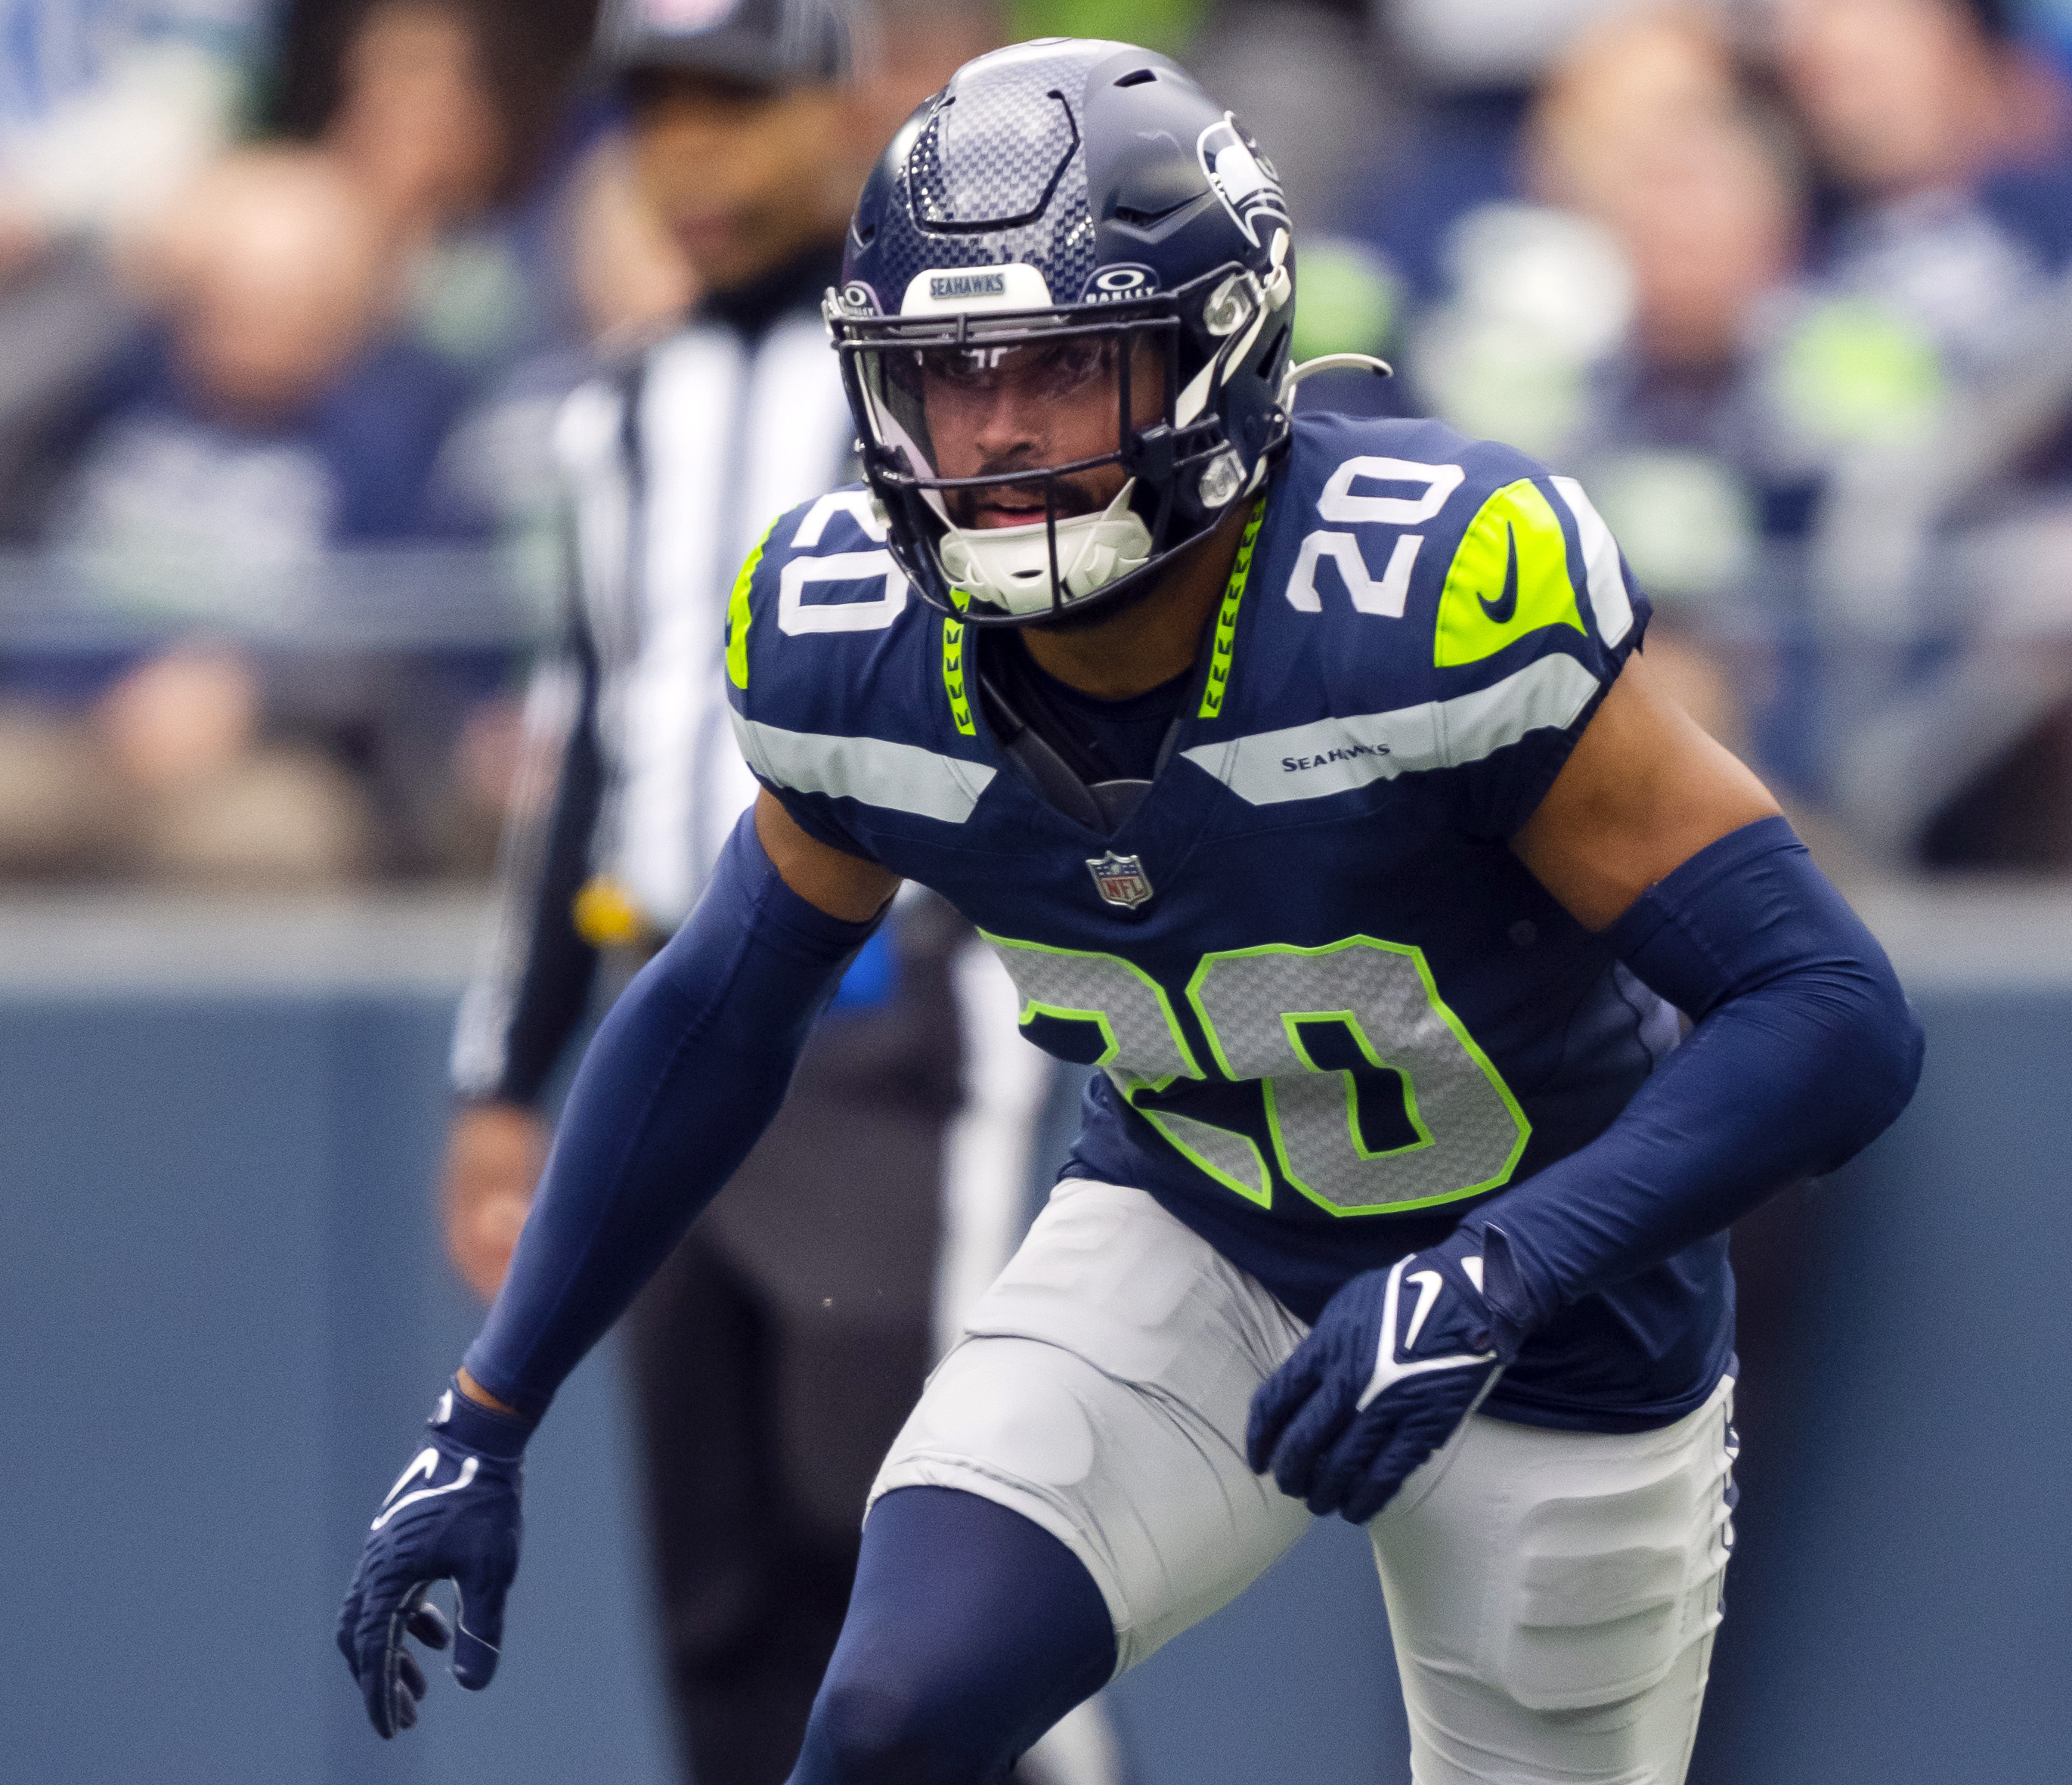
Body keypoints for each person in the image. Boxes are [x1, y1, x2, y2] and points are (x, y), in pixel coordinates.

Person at [347, 39, 1924, 1783]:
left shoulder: (1419, 590)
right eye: (950, 378)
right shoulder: (853, 633)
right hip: (1197, 1229)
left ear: (1214, 353)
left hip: (1564, 1296)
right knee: (884, 1722)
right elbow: (718, 1004)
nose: (1000, 429)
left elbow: (1829, 1009)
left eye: (1063, 364)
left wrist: (1502, 1263)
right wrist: (483, 1415)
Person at [438, 7, 1097, 1782]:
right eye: (655, 110)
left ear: (845, 108)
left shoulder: (955, 374)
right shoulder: (620, 413)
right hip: (674, 1014)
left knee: (937, 1541)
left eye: (732, 102)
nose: (689, 153)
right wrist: (507, 1074)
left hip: (902, 1014)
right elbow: (583, 753)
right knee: (719, 1582)